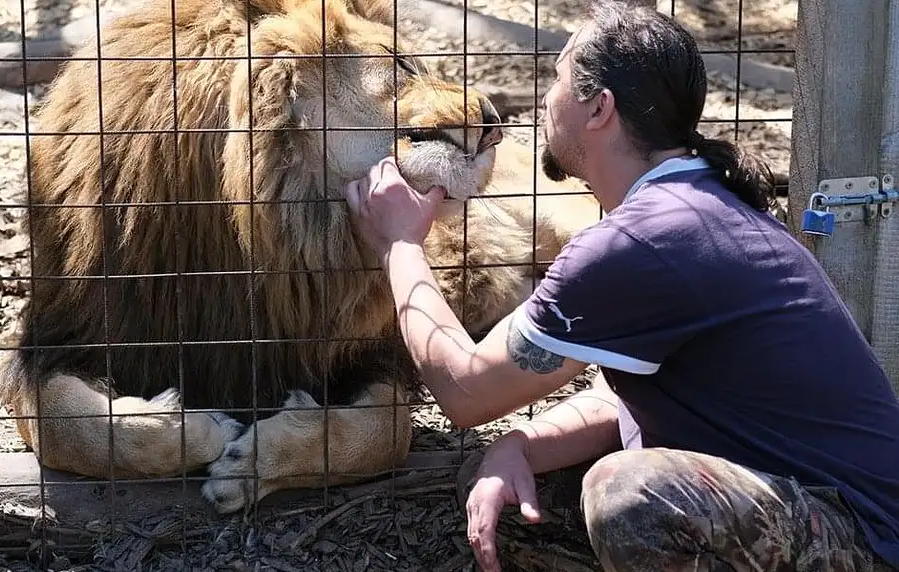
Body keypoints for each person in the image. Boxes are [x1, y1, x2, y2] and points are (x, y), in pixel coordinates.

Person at [342, 1, 899, 571]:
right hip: (796, 506)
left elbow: (464, 391)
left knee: (631, 496)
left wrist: (400, 244)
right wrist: (521, 445)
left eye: (557, 78)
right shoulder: (693, 208)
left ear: (599, 109)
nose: (544, 97)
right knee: (506, 492)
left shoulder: (644, 240)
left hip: (862, 537)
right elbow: (623, 394)